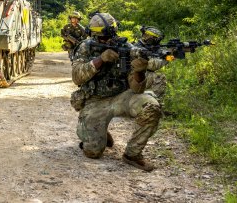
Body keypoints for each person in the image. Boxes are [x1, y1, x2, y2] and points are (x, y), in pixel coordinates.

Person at [70, 12, 161, 171]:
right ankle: (100, 134)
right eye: (103, 38)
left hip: (122, 97)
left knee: (151, 106)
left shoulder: (128, 48)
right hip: (95, 101)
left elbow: (137, 89)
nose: (107, 40)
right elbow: (77, 77)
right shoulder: (86, 46)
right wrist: (100, 60)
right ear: (95, 36)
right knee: (93, 152)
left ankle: (133, 154)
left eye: (110, 36)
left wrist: (140, 71)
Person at [134, 26, 168, 102]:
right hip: (133, 76)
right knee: (159, 77)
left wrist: (169, 55)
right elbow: (151, 66)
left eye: (150, 36)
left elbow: (164, 54)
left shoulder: (155, 48)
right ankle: (153, 102)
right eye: (146, 35)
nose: (146, 38)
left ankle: (153, 103)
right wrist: (166, 58)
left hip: (140, 76)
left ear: (156, 39)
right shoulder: (136, 48)